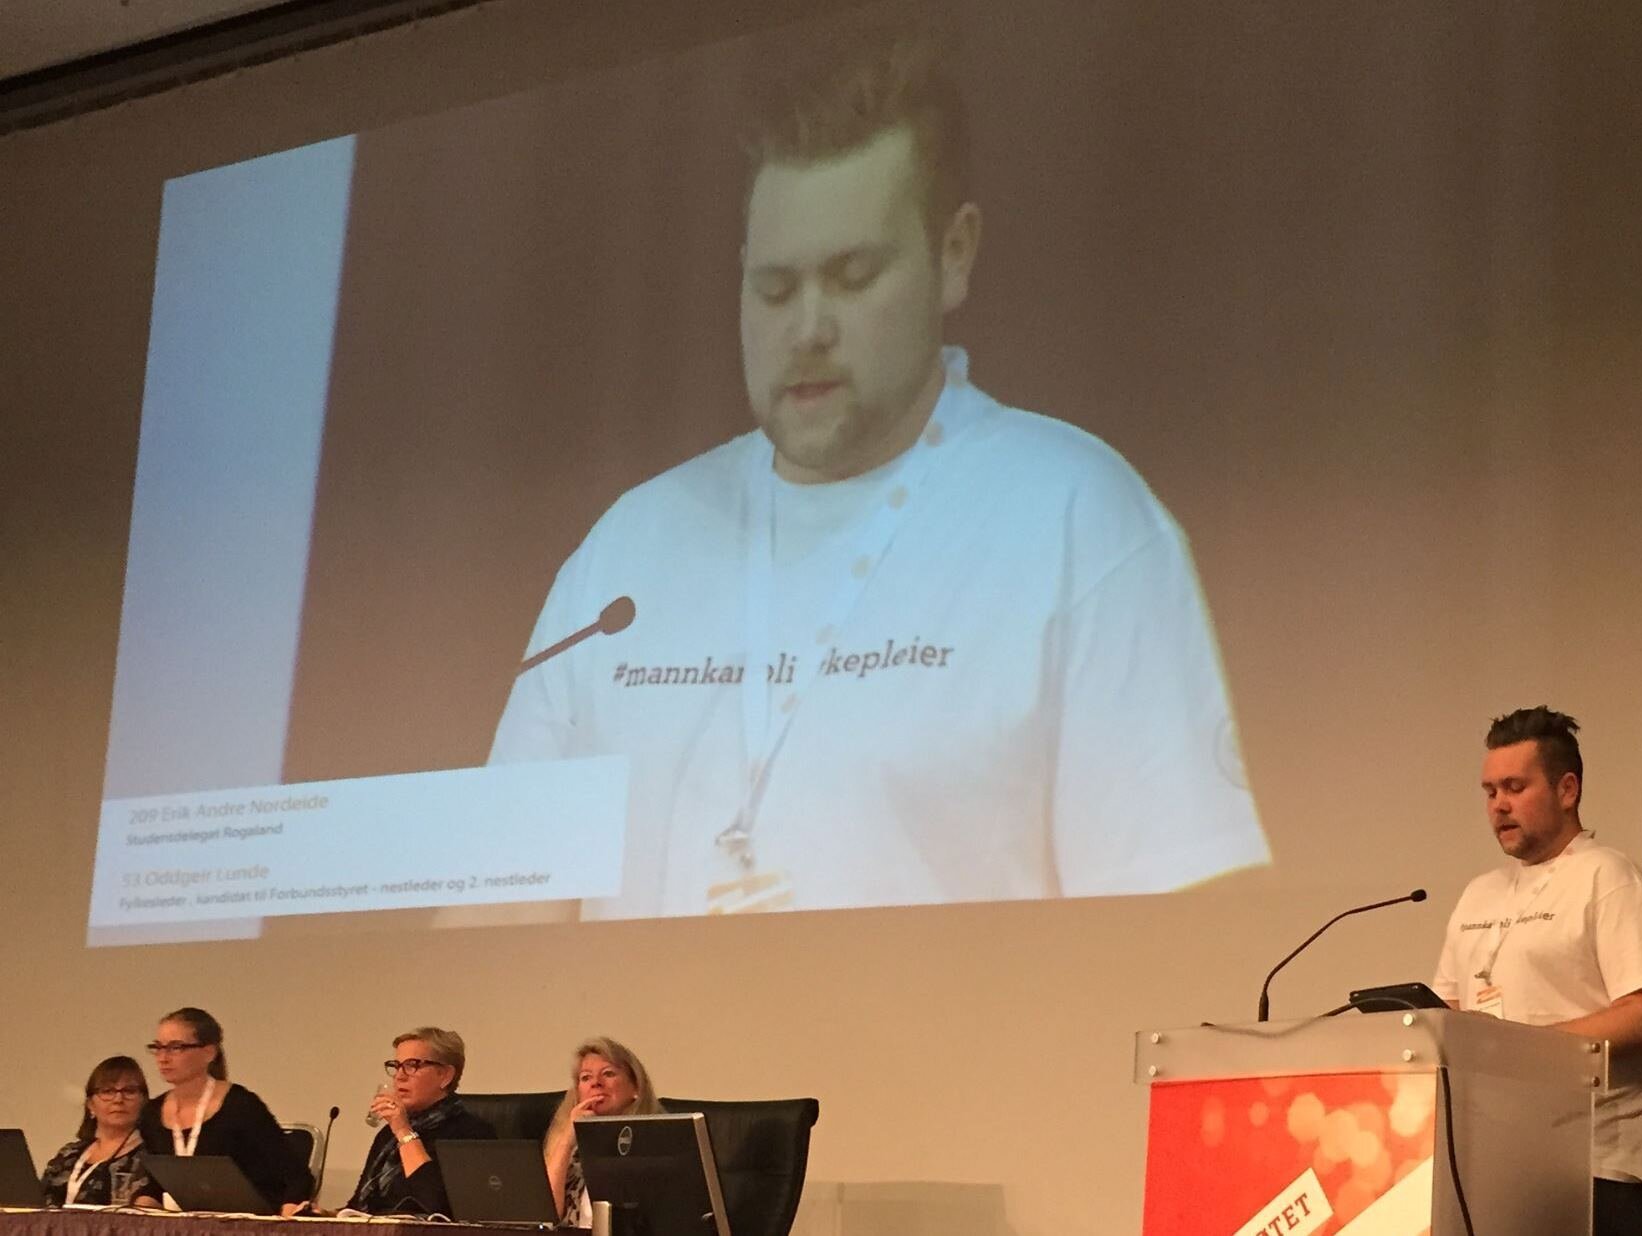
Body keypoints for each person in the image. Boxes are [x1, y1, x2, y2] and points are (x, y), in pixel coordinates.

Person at [484, 22, 1267, 920]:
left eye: (853, 276)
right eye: (775, 288)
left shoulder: (1075, 519)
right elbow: (496, 922)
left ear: (954, 255)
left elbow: (1183, 925)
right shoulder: (626, 551)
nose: (807, 328)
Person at [1431, 708, 1642, 1236]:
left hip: (1596, 1161)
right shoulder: (1479, 894)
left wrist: (1524, 1050)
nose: (1499, 804)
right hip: (1495, 1160)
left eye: (1515, 787)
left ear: (1567, 790)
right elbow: (1447, 1016)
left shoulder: (1608, 877)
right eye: (1490, 791)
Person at [135, 1006, 311, 1212]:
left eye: (176, 1047)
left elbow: (296, 1178)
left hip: (247, 1221)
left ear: (209, 1053)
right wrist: (138, 1209)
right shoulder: (152, 1113)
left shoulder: (240, 1106)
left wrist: (288, 1214)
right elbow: (158, 1185)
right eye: (158, 1047)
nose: (163, 1057)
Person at [343, 1027, 495, 1217]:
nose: (399, 1076)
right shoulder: (387, 1135)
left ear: (445, 1075)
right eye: (397, 1066)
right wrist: (325, 1214)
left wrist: (404, 1132)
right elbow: (359, 1205)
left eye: (412, 1065)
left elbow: (436, 1206)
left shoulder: (472, 1134)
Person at [542, 1037, 664, 1227]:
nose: (596, 1083)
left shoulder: (655, 1143)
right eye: (586, 1077)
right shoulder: (570, 1148)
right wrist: (567, 1140)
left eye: (608, 1073)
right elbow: (543, 1215)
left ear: (636, 1087)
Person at [40, 1057, 155, 1206]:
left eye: (129, 1091)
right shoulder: (68, 1155)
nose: (118, 1099)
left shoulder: (151, 1158)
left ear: (144, 1101)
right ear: (90, 1105)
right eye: (107, 1091)